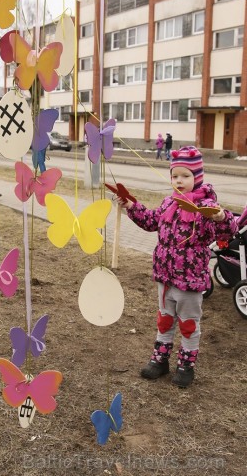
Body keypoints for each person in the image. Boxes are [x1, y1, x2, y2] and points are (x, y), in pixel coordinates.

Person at [114, 146, 237, 388]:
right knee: (164, 320)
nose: (179, 181)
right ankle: (160, 360)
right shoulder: (169, 202)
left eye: (185, 176)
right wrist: (131, 205)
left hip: (189, 280)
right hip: (165, 276)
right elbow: (151, 221)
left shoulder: (207, 207)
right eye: (175, 176)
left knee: (189, 323)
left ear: (197, 177)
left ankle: (186, 365)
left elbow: (227, 232)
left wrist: (221, 218)